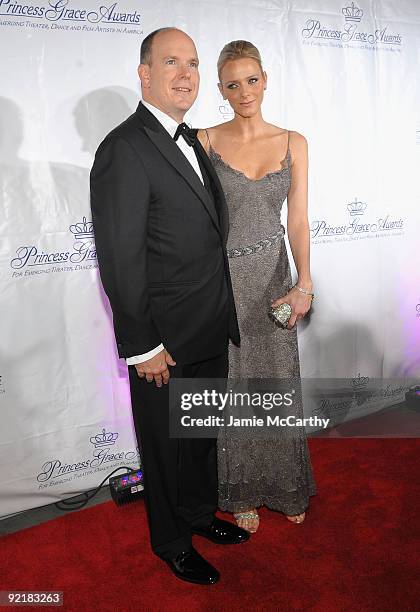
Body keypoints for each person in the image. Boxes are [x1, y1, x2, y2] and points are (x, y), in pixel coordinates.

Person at [90, 28, 249, 586]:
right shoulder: (123, 148)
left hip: (208, 324)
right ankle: (172, 541)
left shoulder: (192, 140)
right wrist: (142, 345)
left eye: (194, 63)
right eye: (171, 62)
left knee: (202, 436)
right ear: (145, 73)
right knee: (165, 449)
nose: (185, 74)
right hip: (163, 340)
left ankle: (201, 515)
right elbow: (119, 258)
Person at [198, 40, 316, 534]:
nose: (244, 91)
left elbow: (299, 220)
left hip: (273, 280)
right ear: (221, 90)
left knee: (276, 383)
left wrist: (304, 282)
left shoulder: (293, 141)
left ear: (265, 79)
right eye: (232, 84)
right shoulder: (203, 140)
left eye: (252, 79)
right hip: (224, 281)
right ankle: (242, 488)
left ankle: (284, 483)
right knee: (235, 386)